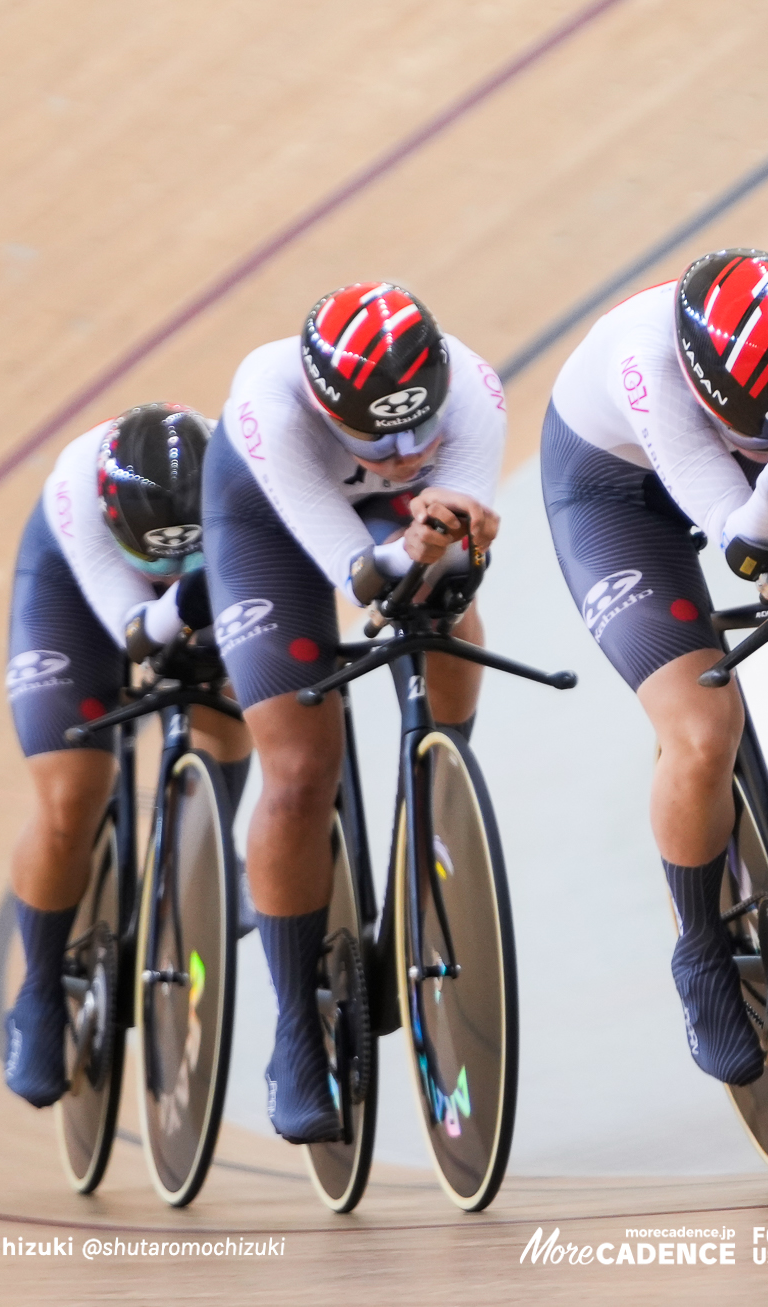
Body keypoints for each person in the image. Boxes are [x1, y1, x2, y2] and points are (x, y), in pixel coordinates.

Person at [542, 249, 768, 1085]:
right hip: (618, 494)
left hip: (749, 470)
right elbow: (744, 544)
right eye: (751, 427)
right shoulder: (646, 367)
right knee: (701, 729)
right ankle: (700, 950)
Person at [203, 281, 506, 1142]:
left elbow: (450, 564)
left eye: (424, 430)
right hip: (267, 523)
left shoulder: (476, 392)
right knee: (299, 772)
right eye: (382, 438)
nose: (411, 453)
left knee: (444, 605)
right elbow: (360, 580)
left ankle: (437, 792)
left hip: (394, 525)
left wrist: (443, 546)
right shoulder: (270, 403)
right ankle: (296, 1029)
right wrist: (409, 542)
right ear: (327, 406)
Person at [3, 402, 251, 1107]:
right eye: (157, 554)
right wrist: (186, 595)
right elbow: (137, 630)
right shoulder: (76, 495)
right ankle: (40, 990)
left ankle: (207, 846)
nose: (169, 566)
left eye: (182, 551)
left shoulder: (238, 468)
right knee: (71, 795)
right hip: (78, 595)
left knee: (232, 689)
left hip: (208, 572)